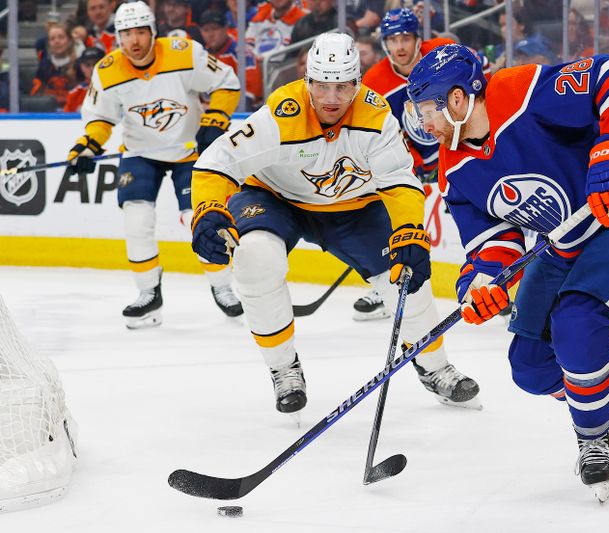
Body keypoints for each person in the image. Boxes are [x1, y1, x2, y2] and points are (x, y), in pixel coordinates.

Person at [407, 44, 609, 501]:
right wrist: (484, 283)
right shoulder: (455, 168)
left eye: (427, 108)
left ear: (457, 99)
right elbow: (492, 241)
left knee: (576, 320)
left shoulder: (523, 92)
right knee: (528, 366)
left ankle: (594, 442)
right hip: (563, 243)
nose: (422, 123)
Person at [189, 32, 481, 418]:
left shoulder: (377, 117)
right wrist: (207, 209)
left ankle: (435, 367)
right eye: (321, 85)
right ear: (307, 80)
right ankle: (283, 369)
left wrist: (409, 231)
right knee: (256, 261)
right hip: (274, 198)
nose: (330, 98)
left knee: (408, 280)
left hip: (354, 208)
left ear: (357, 84)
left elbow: (400, 182)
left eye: (342, 86)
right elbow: (218, 160)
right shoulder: (281, 113)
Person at [66, 1, 243, 329]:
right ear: (117, 37)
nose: (133, 41)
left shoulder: (184, 52)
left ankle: (223, 286)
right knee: (136, 218)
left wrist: (216, 120)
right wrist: (87, 146)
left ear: (153, 32)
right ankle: (148, 292)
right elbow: (100, 118)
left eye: (140, 32)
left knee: (199, 218)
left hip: (188, 151)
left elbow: (227, 82)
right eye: (126, 34)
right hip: (139, 152)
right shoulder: (107, 69)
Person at [355, 9, 454, 322]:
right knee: (385, 207)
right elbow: (377, 134)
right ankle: (386, 283)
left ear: (418, 39)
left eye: (406, 38)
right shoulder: (375, 81)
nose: (400, 46)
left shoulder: (443, 52)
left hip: (456, 145)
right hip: (414, 157)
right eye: (393, 39)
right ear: (384, 44)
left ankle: (492, 281)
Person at [200, 10, 263, 111]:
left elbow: (251, 93)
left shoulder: (241, 52)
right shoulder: (201, 55)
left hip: (242, 112)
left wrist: (219, 108)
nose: (210, 34)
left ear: (226, 28)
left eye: (215, 29)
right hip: (210, 110)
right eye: (206, 30)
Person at [31, 23, 79, 110]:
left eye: (61, 37)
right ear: (49, 44)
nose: (57, 41)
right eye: (52, 39)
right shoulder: (44, 65)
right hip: (49, 114)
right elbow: (36, 95)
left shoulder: (78, 65)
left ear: (70, 41)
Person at [64, 46, 105, 112]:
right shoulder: (74, 95)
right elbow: (65, 120)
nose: (92, 68)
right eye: (87, 65)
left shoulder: (116, 89)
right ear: (81, 66)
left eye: (96, 64)